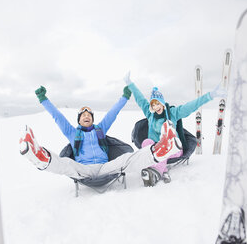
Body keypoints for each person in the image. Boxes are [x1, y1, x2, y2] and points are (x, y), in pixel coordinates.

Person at [19, 75, 184, 185]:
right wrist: (43, 99)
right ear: (79, 120)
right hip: (84, 170)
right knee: (67, 164)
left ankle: (161, 149)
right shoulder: (72, 133)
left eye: (89, 114)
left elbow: (113, 113)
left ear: (92, 118)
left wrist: (124, 97)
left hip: (106, 168)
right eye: (83, 114)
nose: (86, 116)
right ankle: (40, 156)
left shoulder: (100, 130)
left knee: (127, 159)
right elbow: (58, 117)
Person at [124, 72, 227, 186]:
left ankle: (155, 173)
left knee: (161, 150)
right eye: (153, 105)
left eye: (157, 104)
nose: (155, 107)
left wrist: (210, 95)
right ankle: (163, 171)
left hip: (173, 148)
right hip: (156, 148)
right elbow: (140, 98)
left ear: (162, 103)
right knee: (147, 143)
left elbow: (191, 106)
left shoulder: (173, 113)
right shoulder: (150, 115)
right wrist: (130, 83)